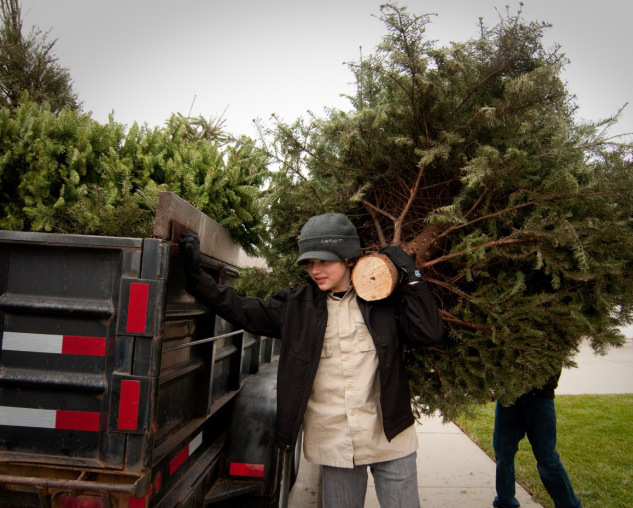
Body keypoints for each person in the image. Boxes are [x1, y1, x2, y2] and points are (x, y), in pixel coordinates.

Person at [178, 212, 443, 508]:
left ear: (348, 258)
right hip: (335, 443)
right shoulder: (297, 308)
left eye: (324, 261)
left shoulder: (383, 301)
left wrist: (413, 278)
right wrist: (197, 280)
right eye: (309, 262)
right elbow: (243, 310)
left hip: (390, 436)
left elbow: (428, 333)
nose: (315, 270)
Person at [492, 369, 583, 508]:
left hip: (540, 397)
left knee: (547, 458)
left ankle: (569, 505)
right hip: (508, 395)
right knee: (503, 453)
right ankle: (505, 502)